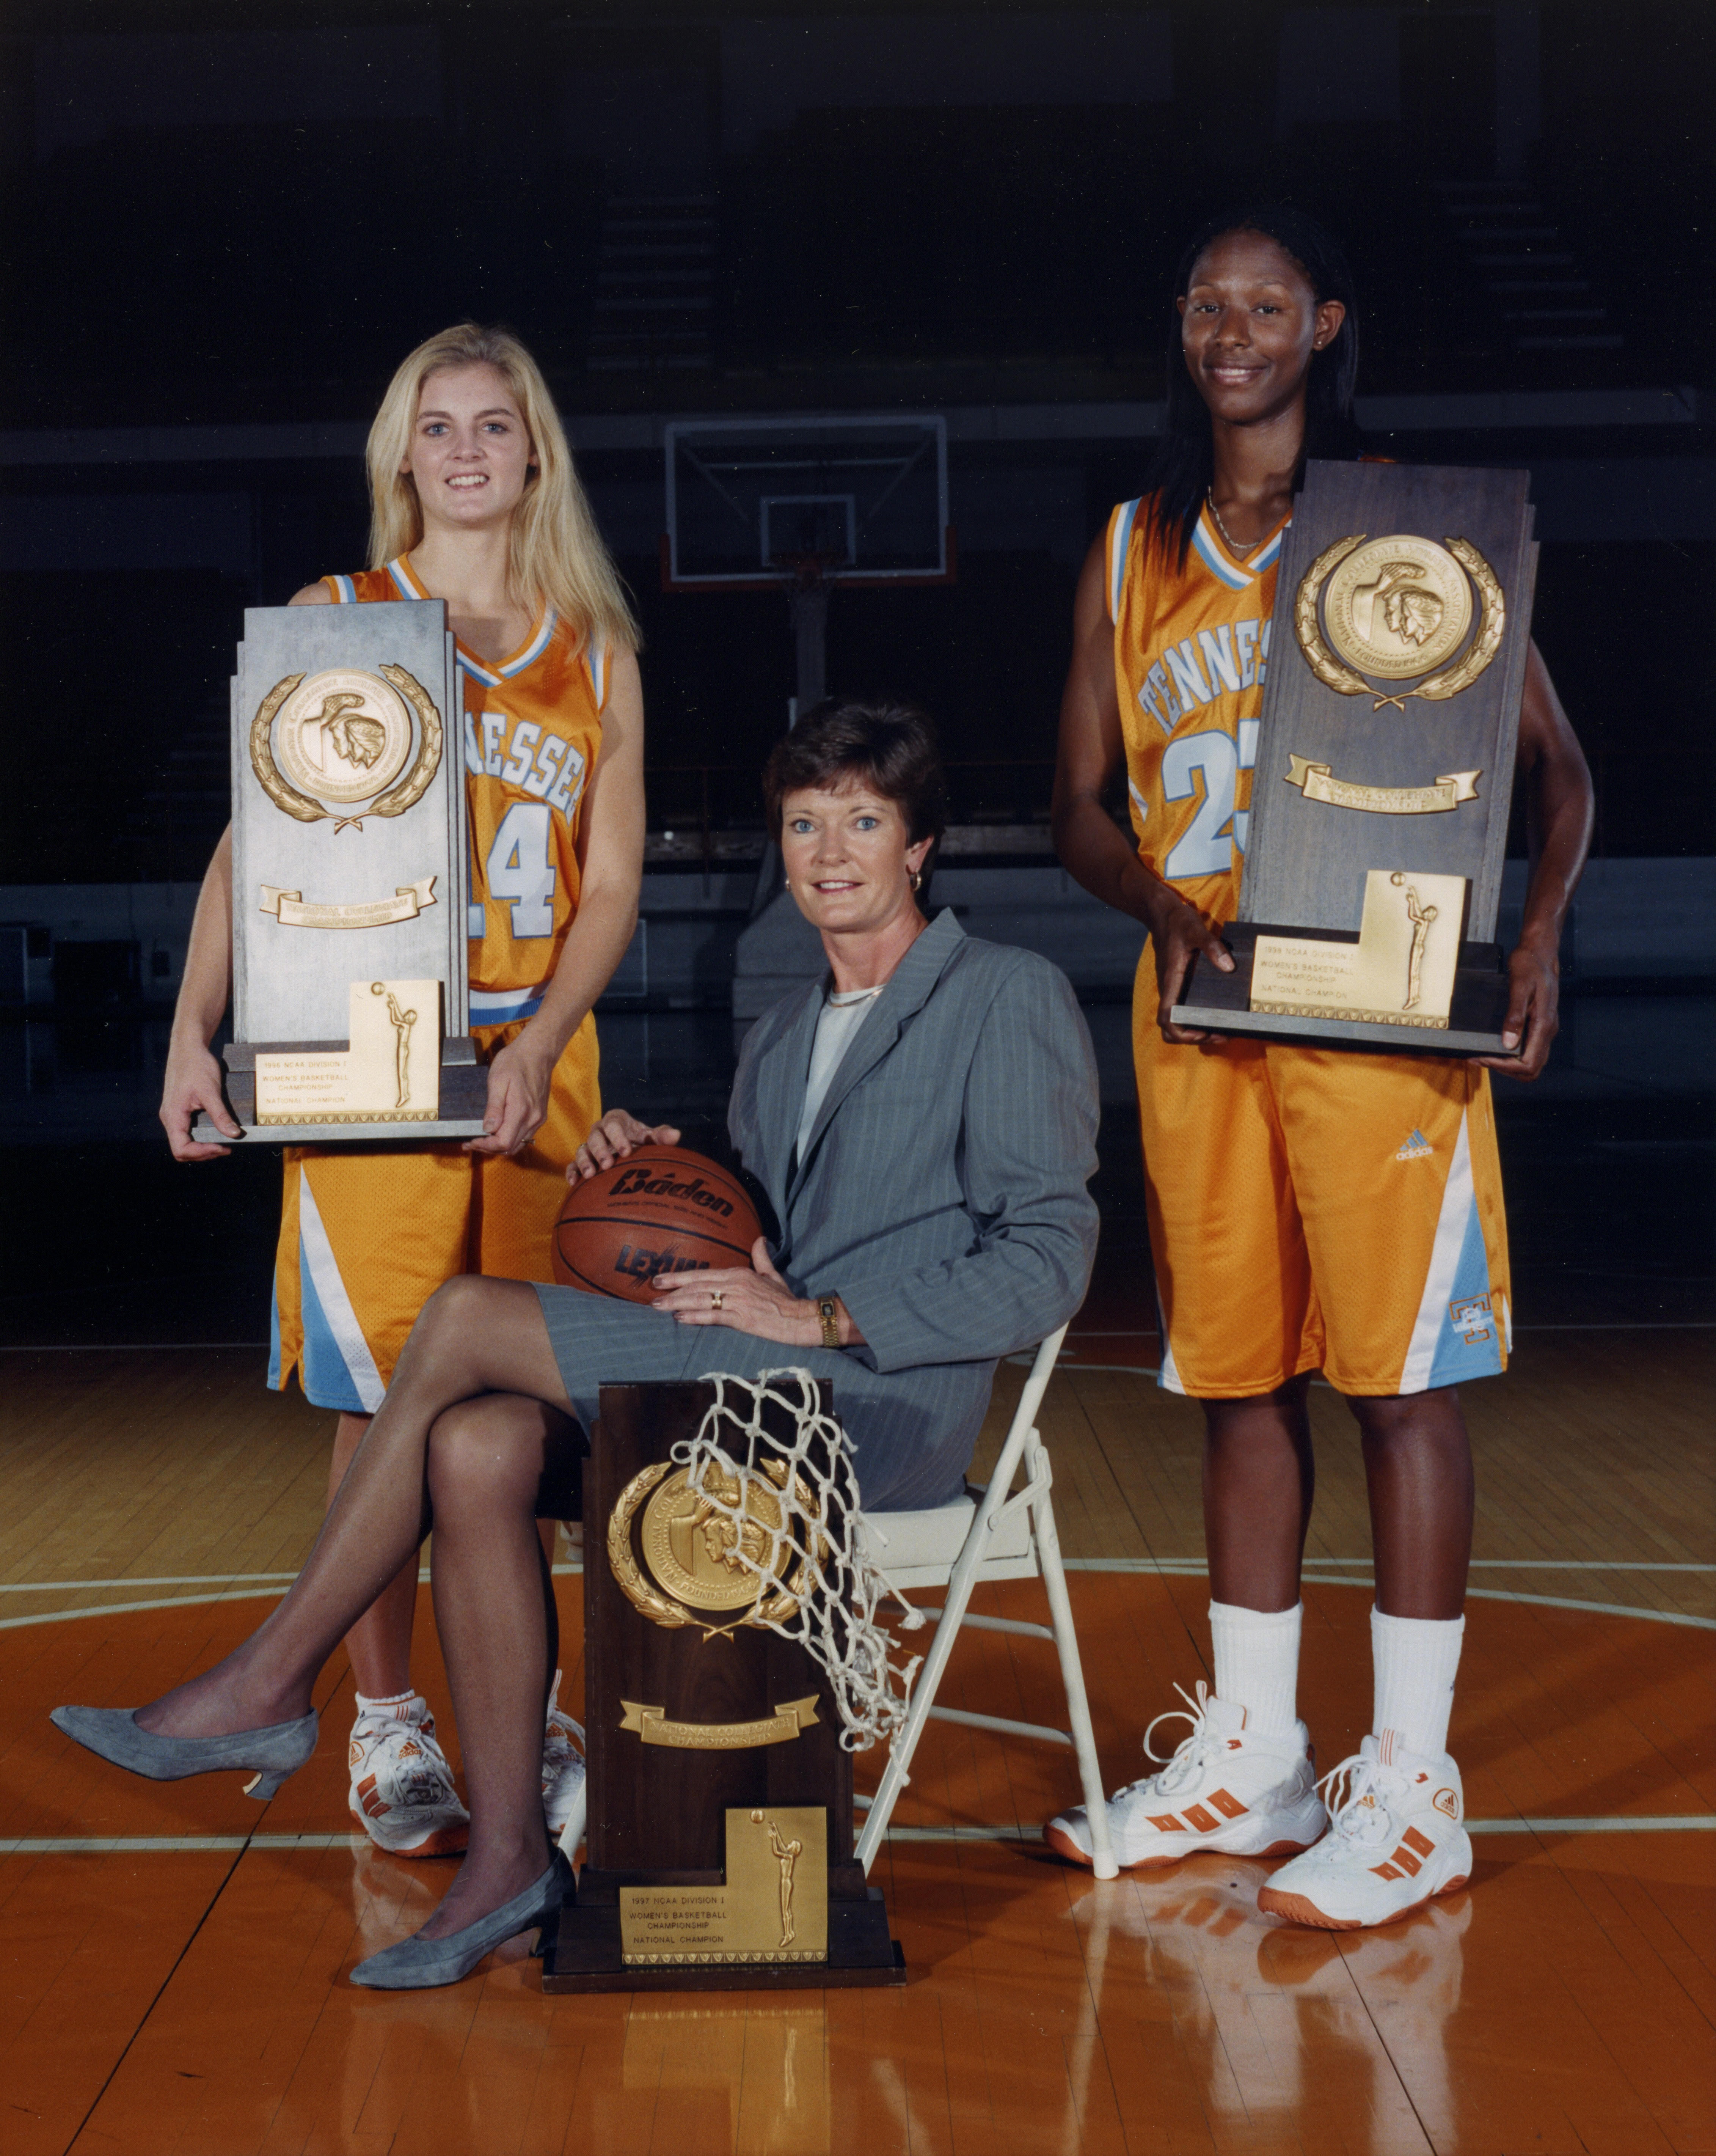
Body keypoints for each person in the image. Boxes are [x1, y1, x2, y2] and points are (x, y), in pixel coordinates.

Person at [55, 697, 1100, 1989]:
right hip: (758, 1375)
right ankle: (508, 1863)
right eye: (805, 822)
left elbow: (1050, 1257)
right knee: (482, 1443)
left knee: (459, 1315)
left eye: (866, 821)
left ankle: (272, 1680)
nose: (832, 850)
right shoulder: (781, 1033)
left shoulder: (1004, 993)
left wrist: (824, 1317)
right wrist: (649, 1167)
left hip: (873, 1410)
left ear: (922, 845)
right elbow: (757, 1239)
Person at [1043, 207, 1593, 1929]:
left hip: (1376, 1019)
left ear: (1323, 326)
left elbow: (1562, 777)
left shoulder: (1408, 527)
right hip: (1202, 1013)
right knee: (1236, 1385)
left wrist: (1540, 935)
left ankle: (1415, 1790)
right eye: (1207, 301)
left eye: (1265, 303)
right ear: (1182, 326)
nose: (1233, 327)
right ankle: (1259, 1755)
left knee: (1397, 1386)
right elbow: (1073, 804)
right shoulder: (1131, 547)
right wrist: (1151, 895)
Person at [157, 324, 645, 1858]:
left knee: (515, 1411)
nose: (464, 451)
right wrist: (192, 1031)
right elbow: (258, 845)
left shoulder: (595, 641)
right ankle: (382, 1726)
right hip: (368, 1048)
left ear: (533, 451)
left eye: (494, 425)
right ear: (401, 453)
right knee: (380, 1405)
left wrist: (540, 1041)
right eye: (436, 426)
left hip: (533, 1061)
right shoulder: (339, 616)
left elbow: (613, 886)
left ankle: (531, 1715)